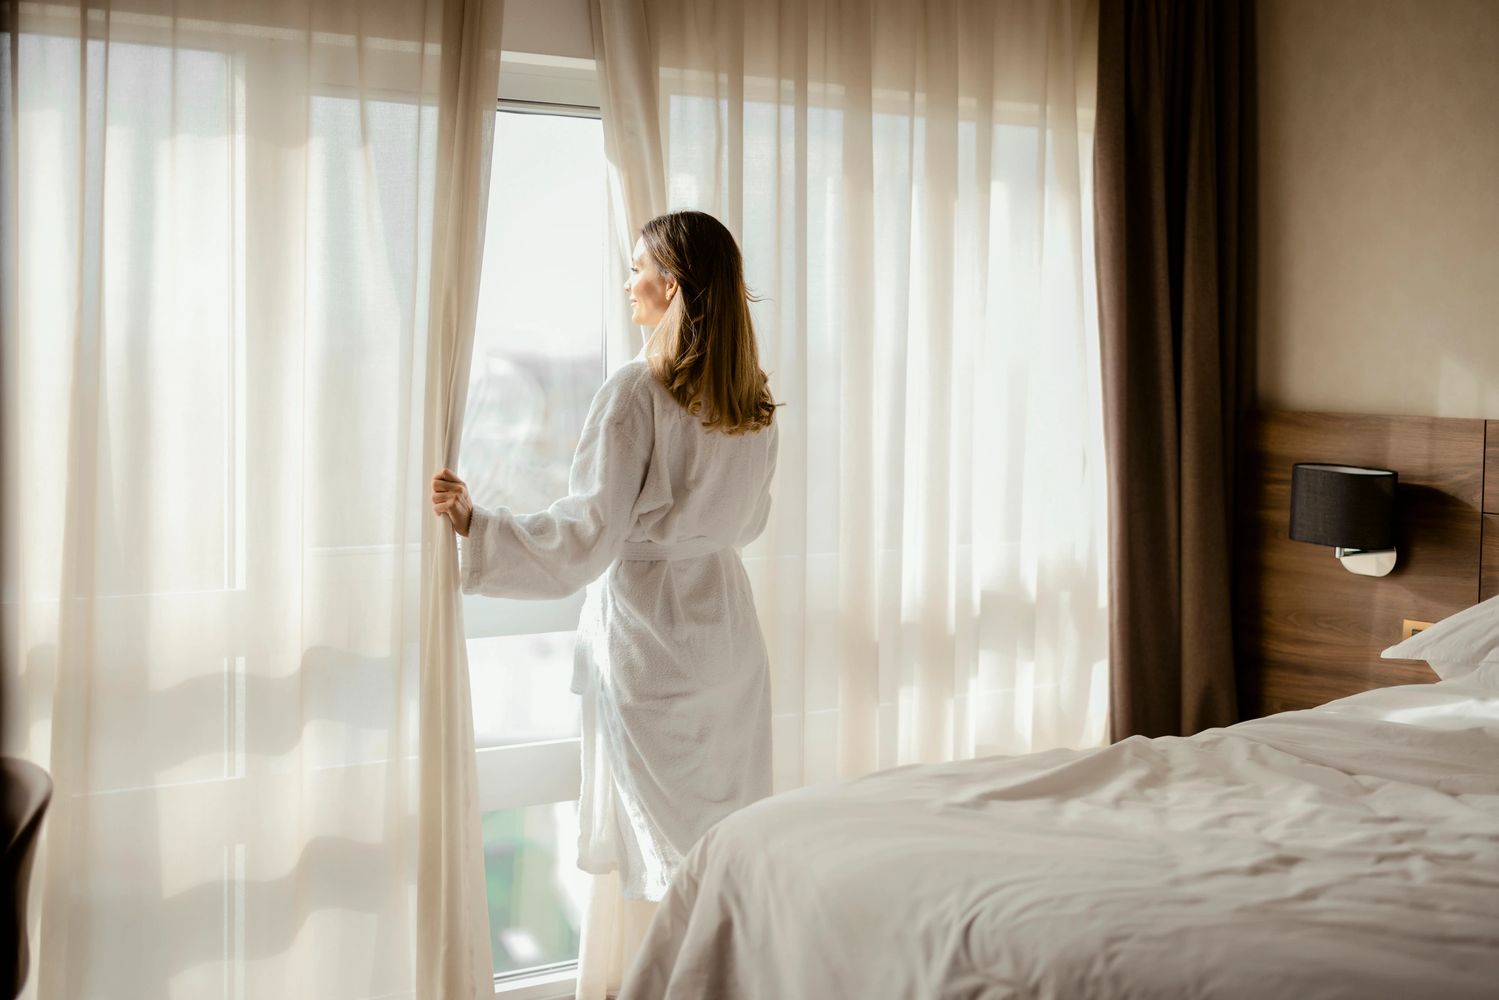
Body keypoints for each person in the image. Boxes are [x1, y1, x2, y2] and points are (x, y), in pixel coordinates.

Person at [430, 209, 779, 939]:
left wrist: (479, 525)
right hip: (728, 639)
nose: (628, 284)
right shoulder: (752, 401)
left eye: (636, 268)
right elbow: (747, 523)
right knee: (725, 852)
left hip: (653, 643)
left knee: (676, 859)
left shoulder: (636, 393)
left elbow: (587, 537)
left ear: (671, 283)